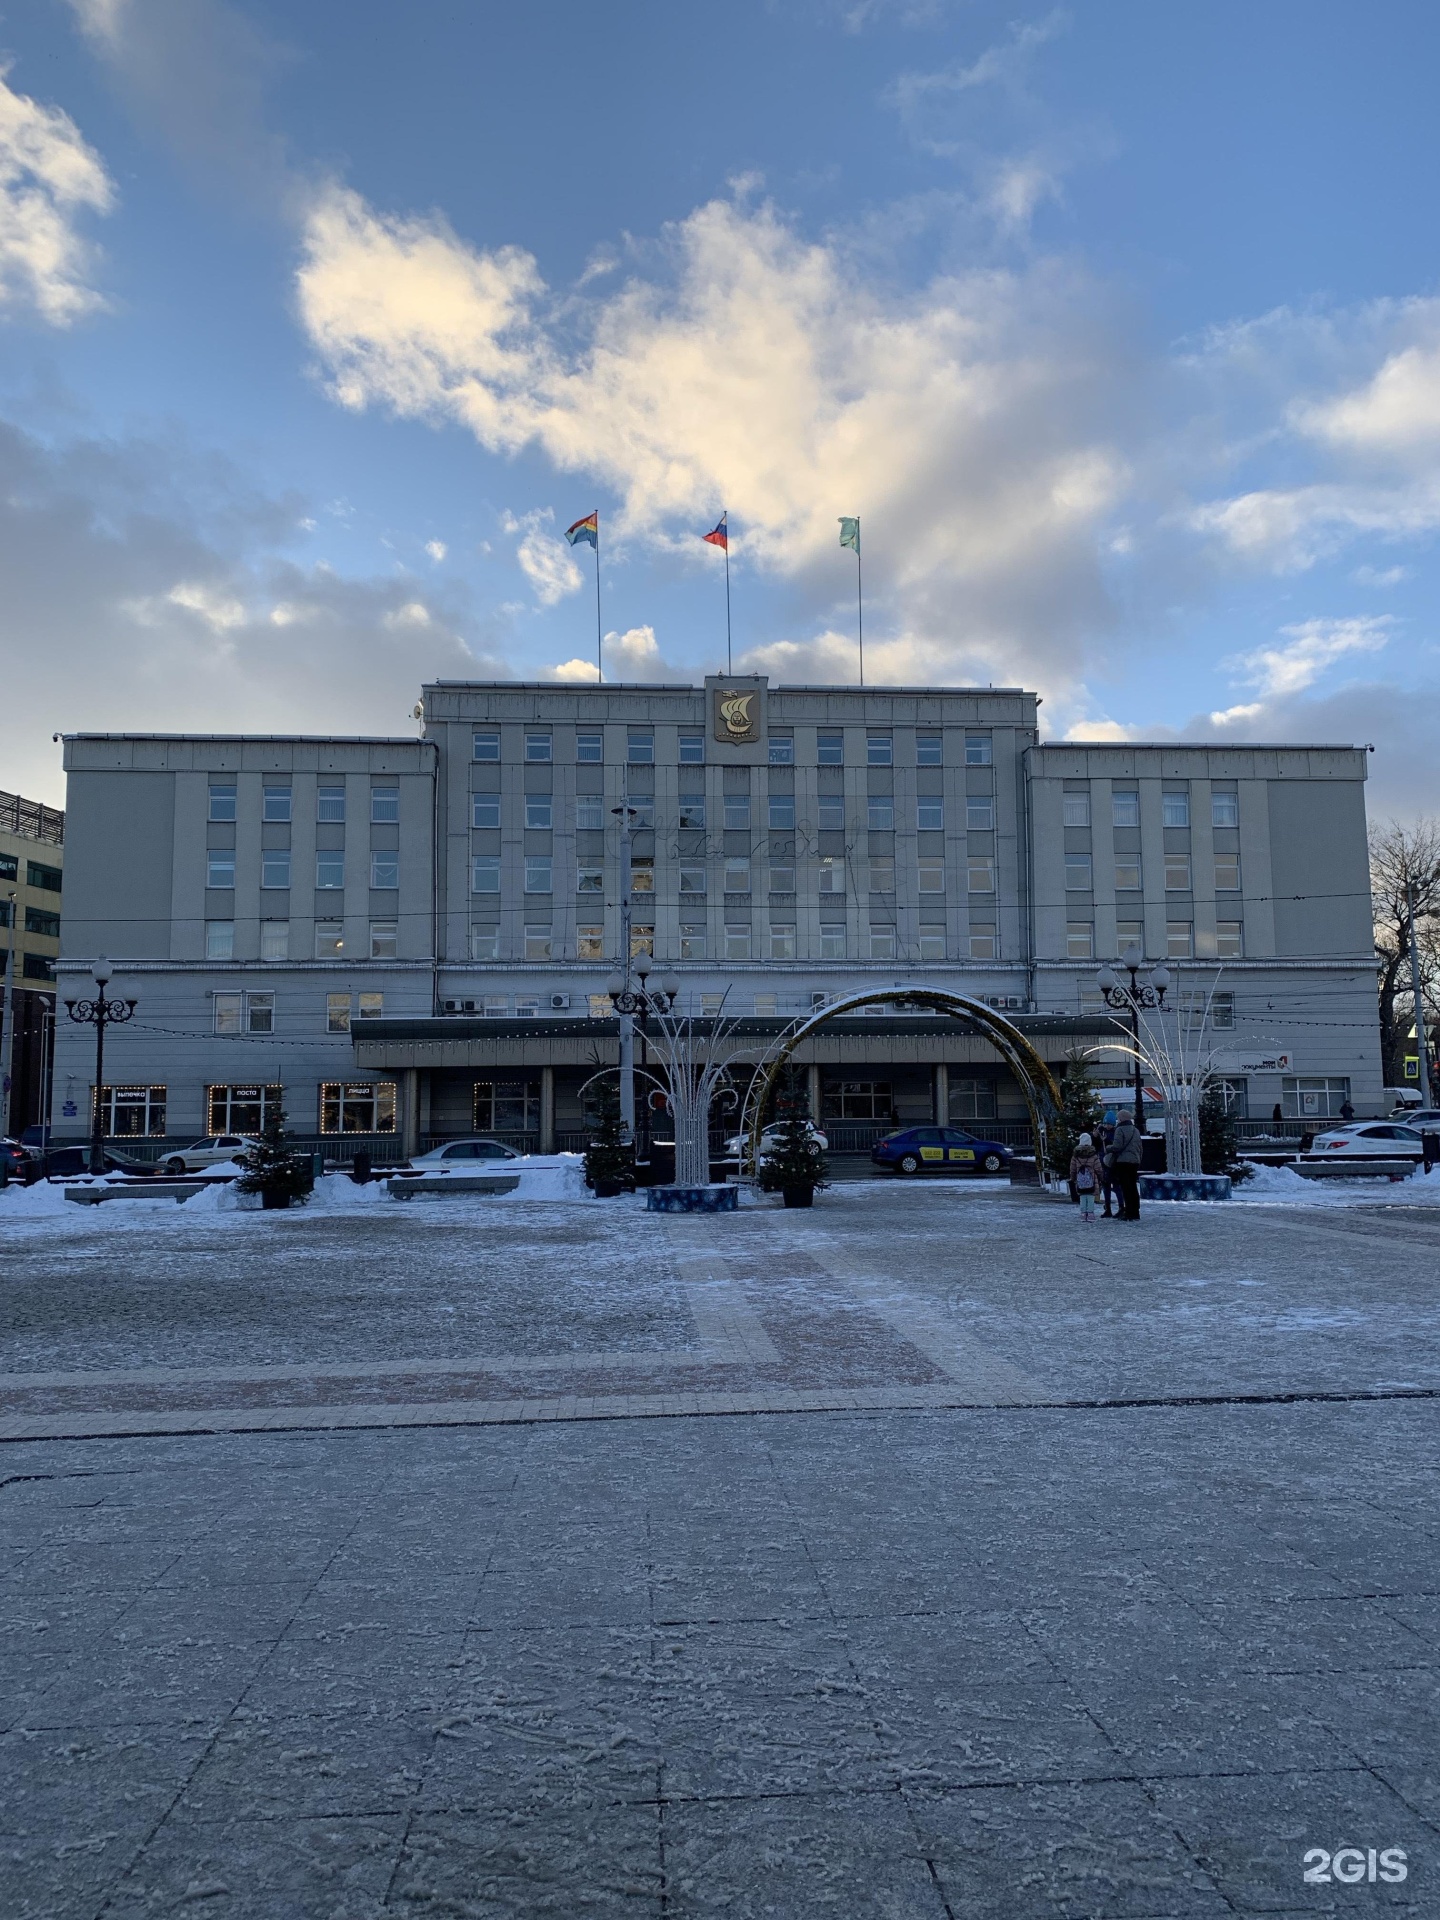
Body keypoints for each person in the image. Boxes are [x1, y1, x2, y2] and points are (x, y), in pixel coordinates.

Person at [1108, 1108, 1144, 1220]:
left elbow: (1117, 1146)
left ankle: (1128, 1212)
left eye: (1118, 1118)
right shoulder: (1135, 1130)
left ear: (1121, 1119)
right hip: (1134, 1161)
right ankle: (1135, 1211)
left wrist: (1108, 1148)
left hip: (1123, 1162)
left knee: (1126, 1187)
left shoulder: (1120, 1130)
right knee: (1133, 1187)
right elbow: (1140, 1148)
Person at [1070, 1131, 1103, 1222]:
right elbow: (1098, 1168)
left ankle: (1083, 1213)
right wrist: (1101, 1177)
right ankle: (1091, 1213)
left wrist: (1073, 1178)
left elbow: (1072, 1168)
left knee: (1082, 1196)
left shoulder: (1076, 1155)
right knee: (1091, 1196)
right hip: (1092, 1179)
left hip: (1080, 1179)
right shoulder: (1093, 1154)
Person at [1098, 1109, 1118, 1218]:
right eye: (1106, 1123)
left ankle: (1120, 1207)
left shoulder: (1114, 1133)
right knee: (1106, 1187)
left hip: (1111, 1163)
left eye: (1109, 1124)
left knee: (1116, 1186)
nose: (1107, 1126)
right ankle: (1108, 1208)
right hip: (1103, 1162)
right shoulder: (1102, 1131)